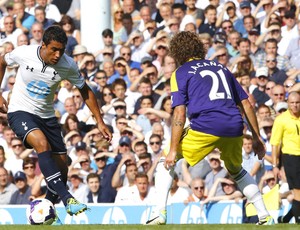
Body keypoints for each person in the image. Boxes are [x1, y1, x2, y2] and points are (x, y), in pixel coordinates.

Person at [146, 31, 274, 225]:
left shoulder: (180, 72)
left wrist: (173, 150)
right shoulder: (221, 68)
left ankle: (159, 213)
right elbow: (246, 104)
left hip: (205, 126)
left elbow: (179, 113)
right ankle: (265, 216)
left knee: (165, 159)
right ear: (199, 48)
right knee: (236, 170)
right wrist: (256, 138)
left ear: (177, 52)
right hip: (234, 126)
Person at [0, 26, 112, 223]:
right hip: (20, 111)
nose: (57, 54)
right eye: (54, 49)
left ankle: (47, 211)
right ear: (43, 45)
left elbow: (85, 90)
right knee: (42, 145)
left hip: (47, 117)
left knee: (62, 167)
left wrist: (100, 121)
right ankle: (67, 198)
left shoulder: (68, 65)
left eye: (61, 50)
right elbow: (1, 60)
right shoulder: (24, 53)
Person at [271, 91, 300, 224]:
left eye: (298, 102)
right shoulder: (281, 119)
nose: (295, 105)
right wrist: (275, 165)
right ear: (288, 103)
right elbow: (275, 143)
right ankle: (297, 221)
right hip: (291, 158)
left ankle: (286, 219)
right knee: (298, 191)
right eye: (292, 103)